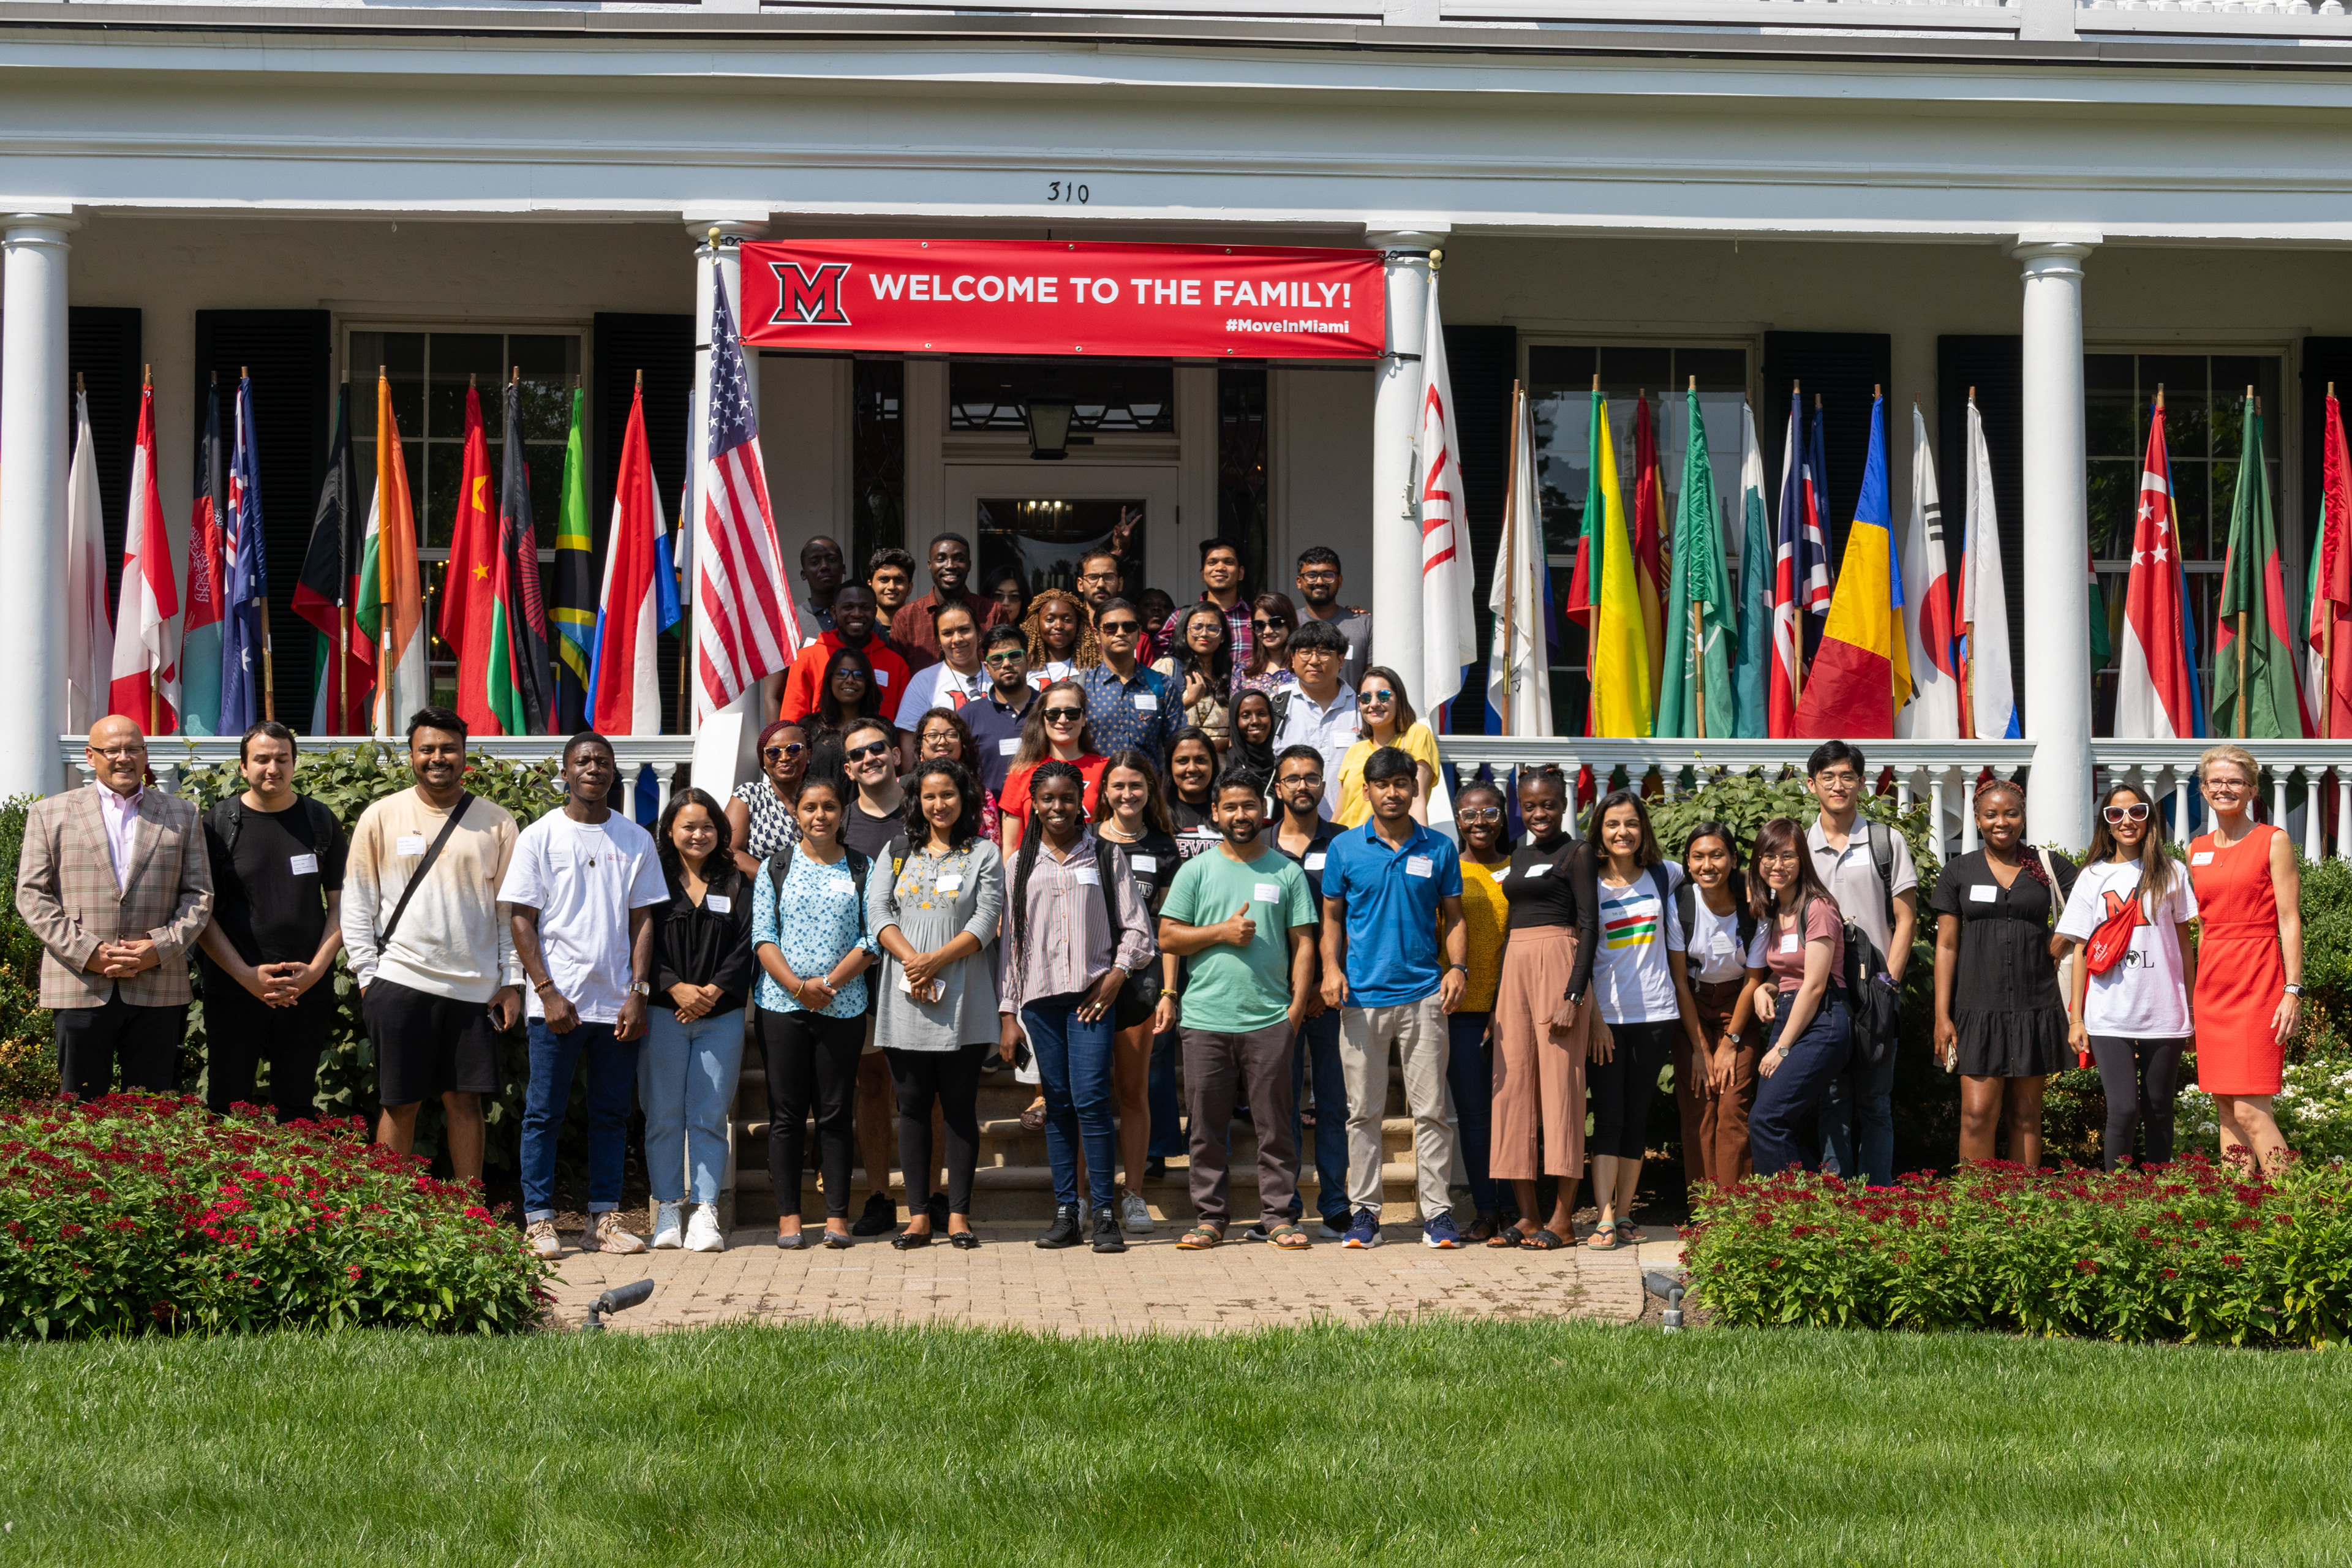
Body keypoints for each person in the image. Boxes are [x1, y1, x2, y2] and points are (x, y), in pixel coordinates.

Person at [504, 732, 668, 1260]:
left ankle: (603, 1219)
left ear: (614, 772)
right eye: (583, 761)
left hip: (616, 1003)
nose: (593, 768)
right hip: (556, 1006)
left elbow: (643, 921)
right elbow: (522, 919)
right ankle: (539, 1220)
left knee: (611, 1115)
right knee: (543, 1114)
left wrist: (638, 991)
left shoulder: (635, 839)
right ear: (566, 772)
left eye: (602, 761)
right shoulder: (540, 836)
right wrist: (546, 991)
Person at [342, 708, 521, 1188]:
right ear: (411, 755)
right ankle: (389, 1212)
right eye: (427, 749)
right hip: (400, 980)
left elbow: (509, 912)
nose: (438, 758)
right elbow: (357, 902)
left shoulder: (497, 822)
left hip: (475, 989)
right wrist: (367, 976)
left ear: (464, 754)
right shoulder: (381, 816)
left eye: (448, 749)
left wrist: (511, 981)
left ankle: (469, 1214)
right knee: (400, 1103)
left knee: (466, 1102)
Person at [998, 761, 1158, 1253]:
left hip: (1092, 1000)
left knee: (1090, 1100)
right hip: (1041, 1003)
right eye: (1047, 799)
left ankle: (1105, 1215)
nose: (1058, 807)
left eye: (1067, 798)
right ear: (1033, 804)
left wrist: (1117, 974)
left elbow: (1139, 930)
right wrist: (1008, 1014)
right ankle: (1068, 1212)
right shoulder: (1019, 865)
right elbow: (1012, 948)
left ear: (1081, 801)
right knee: (1060, 1105)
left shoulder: (1105, 855)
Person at [1159, 772, 1319, 1250]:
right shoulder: (1195, 871)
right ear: (1215, 813)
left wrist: (1294, 1011)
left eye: (1249, 806)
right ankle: (1210, 1219)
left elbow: (1304, 945)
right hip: (1205, 1020)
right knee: (1206, 1130)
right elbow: (1168, 937)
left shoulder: (1286, 872)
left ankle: (1279, 1218)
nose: (1240, 815)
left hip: (1270, 1020)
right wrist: (1221, 933)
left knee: (1276, 1128)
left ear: (1263, 811)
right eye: (1230, 807)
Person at [16, 716, 213, 1101]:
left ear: (145, 754)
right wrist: (86, 951)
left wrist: (160, 947)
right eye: (112, 750)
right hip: (80, 983)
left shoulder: (183, 814)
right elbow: (32, 894)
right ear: (91, 756)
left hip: (157, 984)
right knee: (81, 1107)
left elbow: (200, 894)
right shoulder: (49, 813)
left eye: (133, 749)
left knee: (152, 1110)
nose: (124, 758)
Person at [1320, 745, 1468, 1250]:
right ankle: (1365, 1214)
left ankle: (1438, 1215)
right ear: (1367, 791)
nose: (1392, 793)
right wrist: (1331, 968)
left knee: (1431, 1113)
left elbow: (1455, 917)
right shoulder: (1345, 848)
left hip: (1424, 994)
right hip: (1361, 998)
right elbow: (1332, 918)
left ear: (1413, 788)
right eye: (1382, 785)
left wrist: (1458, 968)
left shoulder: (1439, 847)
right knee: (1363, 1113)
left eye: (1401, 783)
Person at [870, 758, 1005, 1250]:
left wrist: (936, 961)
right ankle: (919, 1218)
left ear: (963, 799)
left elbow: (987, 919)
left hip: (964, 998)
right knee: (911, 1110)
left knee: (960, 1108)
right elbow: (878, 911)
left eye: (947, 794)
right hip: (905, 997)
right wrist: (914, 962)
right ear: (917, 801)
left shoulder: (983, 853)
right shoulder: (897, 851)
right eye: (929, 795)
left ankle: (960, 1216)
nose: (938, 804)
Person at [194, 721, 346, 1121]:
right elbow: (200, 913)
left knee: (297, 1107)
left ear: (295, 764)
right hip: (233, 987)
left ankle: (294, 1168)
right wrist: (246, 976)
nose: (272, 768)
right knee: (227, 1105)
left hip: (304, 988)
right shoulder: (217, 825)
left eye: (282, 759)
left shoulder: (320, 821)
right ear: (244, 767)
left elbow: (343, 907)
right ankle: (229, 1168)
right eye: (261, 759)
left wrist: (314, 972)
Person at [752, 772, 880, 1248]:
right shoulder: (775, 867)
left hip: (843, 1006)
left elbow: (872, 937)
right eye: (810, 807)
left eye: (829, 807)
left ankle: (836, 1217)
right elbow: (763, 935)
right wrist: (796, 987)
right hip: (780, 1006)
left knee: (835, 1114)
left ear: (843, 811)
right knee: (787, 1115)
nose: (820, 815)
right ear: (796, 812)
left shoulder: (862, 866)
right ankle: (789, 1217)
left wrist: (827, 985)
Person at [1931, 779, 2076, 1169]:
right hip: (1977, 1006)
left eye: (2011, 813)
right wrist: (1941, 1016)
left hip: (2035, 1004)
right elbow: (1946, 946)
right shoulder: (1959, 870)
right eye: (1991, 815)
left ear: (2023, 817)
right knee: (1977, 1114)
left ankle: (2021, 1201)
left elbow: (2091, 908)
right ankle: (1977, 1200)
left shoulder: (2048, 866)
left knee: (2026, 1115)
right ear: (1977, 820)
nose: (2002, 822)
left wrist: (2060, 940)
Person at [1582, 789, 1705, 1250]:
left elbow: (1714, 876)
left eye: (1631, 823)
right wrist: (1594, 1020)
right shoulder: (1587, 881)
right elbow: (1581, 956)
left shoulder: (1663, 873)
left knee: (1636, 1119)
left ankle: (1625, 1213)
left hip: (1656, 1014)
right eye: (1613, 824)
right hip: (1606, 1019)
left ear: (1643, 829)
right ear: (1600, 831)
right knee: (1608, 1118)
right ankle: (1603, 1215)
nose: (1623, 832)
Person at [2057, 782, 2199, 1171]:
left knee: (2159, 1108)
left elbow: (2184, 947)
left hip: (2165, 1009)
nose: (2127, 821)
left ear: (2149, 817)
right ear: (2106, 822)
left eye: (2137, 811)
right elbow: (2081, 949)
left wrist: (2191, 1008)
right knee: (2122, 1109)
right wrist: (2076, 1018)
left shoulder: (2173, 872)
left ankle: (2158, 1193)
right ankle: (2118, 1195)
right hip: (2108, 1011)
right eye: (2115, 813)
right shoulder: (2092, 876)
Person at [1487, 767, 1599, 1250]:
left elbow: (1591, 926)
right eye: (1530, 805)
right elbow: (1511, 921)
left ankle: (1563, 1219)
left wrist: (1574, 995)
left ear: (1564, 804)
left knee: (1562, 1092)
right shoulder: (1518, 853)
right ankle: (1529, 1215)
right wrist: (1497, 1003)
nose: (1540, 814)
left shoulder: (1578, 852)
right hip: (1515, 966)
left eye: (1549, 805)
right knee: (1511, 1092)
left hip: (1559, 963)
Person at [641, 788, 757, 1253]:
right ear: (670, 830)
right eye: (688, 826)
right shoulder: (652, 878)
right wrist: (674, 987)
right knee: (663, 1115)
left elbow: (747, 942)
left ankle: (706, 1210)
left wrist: (712, 991)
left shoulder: (735, 882)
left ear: (720, 831)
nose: (698, 834)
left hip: (720, 1016)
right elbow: (639, 938)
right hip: (663, 1014)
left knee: (709, 1116)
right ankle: (669, 1207)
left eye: (707, 826)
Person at [1804, 740, 1918, 1188]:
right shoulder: (1800, 845)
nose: (1838, 786)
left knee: (1875, 1102)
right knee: (1831, 1099)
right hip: (1822, 992)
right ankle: (1837, 1200)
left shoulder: (1886, 841)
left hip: (1876, 992)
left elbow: (1906, 919)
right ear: (1812, 785)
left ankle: (1877, 1199)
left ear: (1861, 783)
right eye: (1828, 777)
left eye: (1847, 777)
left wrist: (1890, 983)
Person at [2186, 744, 2302, 1174]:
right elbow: (2203, 923)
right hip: (2213, 986)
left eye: (2235, 781)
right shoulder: (2196, 848)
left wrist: (2293, 990)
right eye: (2215, 781)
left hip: (2258, 979)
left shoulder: (2273, 840)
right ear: (2203, 789)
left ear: (2253, 790)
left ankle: (2295, 1205)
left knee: (2252, 1111)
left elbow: (2289, 919)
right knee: (2226, 1110)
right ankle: (2238, 1207)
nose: (2225, 788)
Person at [1091, 750, 1185, 1233]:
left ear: (1150, 791)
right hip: (1085, 981)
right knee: (1088, 1094)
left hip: (1141, 985)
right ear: (1104, 791)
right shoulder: (1084, 840)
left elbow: (1169, 929)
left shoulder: (1165, 848)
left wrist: (1169, 992)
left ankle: (1133, 1195)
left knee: (1133, 1090)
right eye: (1119, 786)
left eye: (1136, 786)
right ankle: (1086, 1197)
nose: (1127, 794)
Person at [836, 714, 914, 1237]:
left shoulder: (926, 808)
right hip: (860, 972)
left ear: (896, 754)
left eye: (878, 748)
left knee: (925, 1088)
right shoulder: (839, 821)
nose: (869, 759)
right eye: (858, 754)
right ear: (847, 768)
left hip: (921, 966)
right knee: (872, 1084)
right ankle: (881, 1197)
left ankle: (931, 1195)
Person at [1270, 744, 1349, 1236]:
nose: (1303, 785)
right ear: (1278, 787)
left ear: (1323, 785)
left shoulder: (1343, 843)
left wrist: (1324, 982)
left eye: (1312, 777)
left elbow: (1352, 919)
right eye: (1293, 778)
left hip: (1332, 996)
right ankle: (1285, 1206)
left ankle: (1336, 1204)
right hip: (1272, 997)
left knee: (1334, 1105)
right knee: (1279, 1106)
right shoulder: (1258, 843)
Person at [1749, 817, 1854, 1177]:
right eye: (1769, 856)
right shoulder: (1777, 910)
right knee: (1775, 1123)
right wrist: (1766, 987)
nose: (1777, 865)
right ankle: (1822, 1200)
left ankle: (1788, 1204)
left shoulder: (1818, 907)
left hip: (1823, 1021)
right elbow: (1788, 973)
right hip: (1791, 1015)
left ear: (1803, 860)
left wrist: (1781, 1048)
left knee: (1767, 1120)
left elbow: (1814, 984)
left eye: (1788, 856)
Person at [1671, 820, 1766, 1193]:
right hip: (1692, 1008)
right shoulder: (1680, 903)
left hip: (1737, 1007)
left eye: (1717, 855)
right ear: (1688, 862)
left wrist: (1730, 1043)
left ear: (1734, 859)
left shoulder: (1754, 904)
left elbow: (1754, 981)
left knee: (1732, 1108)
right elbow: (1680, 981)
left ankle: (1734, 1211)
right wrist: (1700, 1049)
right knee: (1700, 1107)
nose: (1707, 865)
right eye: (1698, 857)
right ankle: (1705, 1212)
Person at [1448, 779, 1512, 1243]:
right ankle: (1487, 1210)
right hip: (1462, 1010)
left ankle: (1517, 1207)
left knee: (1515, 1112)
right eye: (1470, 814)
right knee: (1474, 1116)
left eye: (1489, 813)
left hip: (1513, 1007)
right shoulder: (1448, 868)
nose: (1480, 823)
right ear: (1457, 819)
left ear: (1503, 817)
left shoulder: (1520, 868)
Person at [999, 679, 1109, 856]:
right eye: (1053, 714)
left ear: (1083, 718)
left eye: (1072, 713)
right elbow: (1011, 847)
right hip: (1035, 869)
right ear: (1043, 718)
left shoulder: (1107, 770)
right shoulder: (1021, 773)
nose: (1063, 720)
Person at [778, 583, 910, 728]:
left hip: (879, 741)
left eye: (865, 608)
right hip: (819, 740)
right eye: (848, 607)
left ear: (875, 612)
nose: (857, 614)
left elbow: (904, 726)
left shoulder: (896, 664)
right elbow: (792, 722)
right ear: (834, 612)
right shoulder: (808, 658)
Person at [1267, 619, 1357, 819]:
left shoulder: (1362, 710)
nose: (1314, 661)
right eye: (1306, 652)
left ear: (1340, 660)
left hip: (1351, 827)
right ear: (1292, 659)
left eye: (1324, 653)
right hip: (1289, 826)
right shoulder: (1276, 709)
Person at [1334, 666, 1440, 827]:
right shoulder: (1354, 751)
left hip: (1390, 840)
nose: (1374, 704)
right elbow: (1339, 813)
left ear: (1399, 699)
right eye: (1365, 698)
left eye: (1383, 696)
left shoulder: (1417, 734)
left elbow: (1417, 800)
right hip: (1348, 839)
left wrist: (1421, 842)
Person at [1077, 597, 1180, 761]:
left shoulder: (1164, 686)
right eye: (1111, 627)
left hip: (1148, 778)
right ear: (1097, 635)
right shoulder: (1082, 687)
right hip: (1097, 778)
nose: (1120, 633)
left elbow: (1176, 748)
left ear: (1139, 633)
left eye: (1129, 627)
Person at [892, 532, 1005, 671]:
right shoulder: (906, 618)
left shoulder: (994, 612)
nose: (950, 566)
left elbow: (1004, 665)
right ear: (930, 565)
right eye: (941, 559)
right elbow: (896, 674)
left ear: (969, 565)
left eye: (959, 559)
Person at [964, 625, 1037, 820]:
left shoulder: (1050, 708)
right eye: (997, 659)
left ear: (1028, 660)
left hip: (1045, 821)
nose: (1006, 664)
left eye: (1015, 656)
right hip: (987, 823)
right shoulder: (968, 715)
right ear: (987, 668)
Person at [905, 706, 1000, 843]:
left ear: (963, 743)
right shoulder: (902, 788)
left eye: (951, 735)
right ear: (921, 744)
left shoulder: (983, 796)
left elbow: (993, 846)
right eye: (933, 736)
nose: (943, 741)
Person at [1159, 536, 1253, 672]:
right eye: (1212, 562)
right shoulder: (1180, 617)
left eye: (1228, 562)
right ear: (1202, 574)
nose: (1220, 568)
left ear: (1241, 573)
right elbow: (1160, 667)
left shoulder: (1257, 620)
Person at [727, 719, 807, 876]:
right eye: (773, 752)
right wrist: (774, 880)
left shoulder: (821, 796)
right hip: (762, 887)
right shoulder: (749, 795)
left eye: (793, 750)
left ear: (808, 754)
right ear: (762, 760)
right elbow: (730, 851)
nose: (784, 758)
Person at [899, 601, 991, 726]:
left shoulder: (998, 674)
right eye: (947, 633)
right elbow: (908, 735)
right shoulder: (923, 682)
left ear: (979, 633)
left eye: (964, 630)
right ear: (938, 640)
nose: (957, 639)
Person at [1292, 546, 1372, 690]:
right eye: (1311, 576)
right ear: (1299, 582)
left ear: (1340, 581)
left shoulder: (1364, 624)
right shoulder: (1289, 624)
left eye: (1328, 575)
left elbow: (1374, 680)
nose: (1319, 582)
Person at [1154, 603, 1232, 747]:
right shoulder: (1168, 668)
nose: (1204, 634)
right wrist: (1189, 701)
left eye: (1213, 629)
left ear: (1223, 637)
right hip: (1177, 758)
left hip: (1221, 759)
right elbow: (1148, 720)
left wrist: (1209, 748)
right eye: (1197, 628)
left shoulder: (1232, 675)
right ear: (1185, 633)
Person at [804, 643, 882, 782]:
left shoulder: (882, 728)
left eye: (859, 675)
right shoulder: (808, 727)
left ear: (868, 682)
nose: (850, 680)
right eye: (841, 674)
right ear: (830, 679)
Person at [1077, 548, 1154, 663]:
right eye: (1093, 577)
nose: (1101, 584)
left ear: (1120, 584)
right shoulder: (1068, 635)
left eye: (1109, 577)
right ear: (1080, 584)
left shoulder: (1137, 639)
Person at [1166, 728, 1224, 861]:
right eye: (1182, 761)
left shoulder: (1227, 812)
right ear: (1170, 766)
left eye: (1201, 760)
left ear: (1213, 765)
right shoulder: (1157, 816)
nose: (1192, 768)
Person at [1022, 589, 1096, 687]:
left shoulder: (1091, 668)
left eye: (1067, 620)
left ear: (1078, 625)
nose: (1058, 626)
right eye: (1050, 620)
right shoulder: (1025, 668)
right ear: (1036, 624)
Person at [1234, 593, 1298, 702]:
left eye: (1275, 623)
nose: (1267, 631)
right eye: (1260, 625)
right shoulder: (1242, 670)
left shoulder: (1304, 667)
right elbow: (1236, 710)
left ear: (1290, 623)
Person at [865, 546, 921, 663]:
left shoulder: (920, 630)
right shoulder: (861, 629)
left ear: (910, 588)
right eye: (884, 580)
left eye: (899, 580)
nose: (891, 587)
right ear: (870, 585)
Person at [792, 535, 847, 645]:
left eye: (831, 560)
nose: (824, 566)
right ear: (804, 574)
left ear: (843, 568)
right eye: (815, 562)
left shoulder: (863, 619)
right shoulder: (791, 622)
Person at [1227, 690, 1278, 799]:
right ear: (1235, 722)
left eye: (1262, 714)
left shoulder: (1280, 766)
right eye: (1246, 716)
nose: (1255, 721)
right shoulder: (1226, 766)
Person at [983, 563, 1031, 633]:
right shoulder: (976, 635)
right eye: (998, 595)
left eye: (1014, 596)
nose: (1006, 603)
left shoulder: (1032, 637)